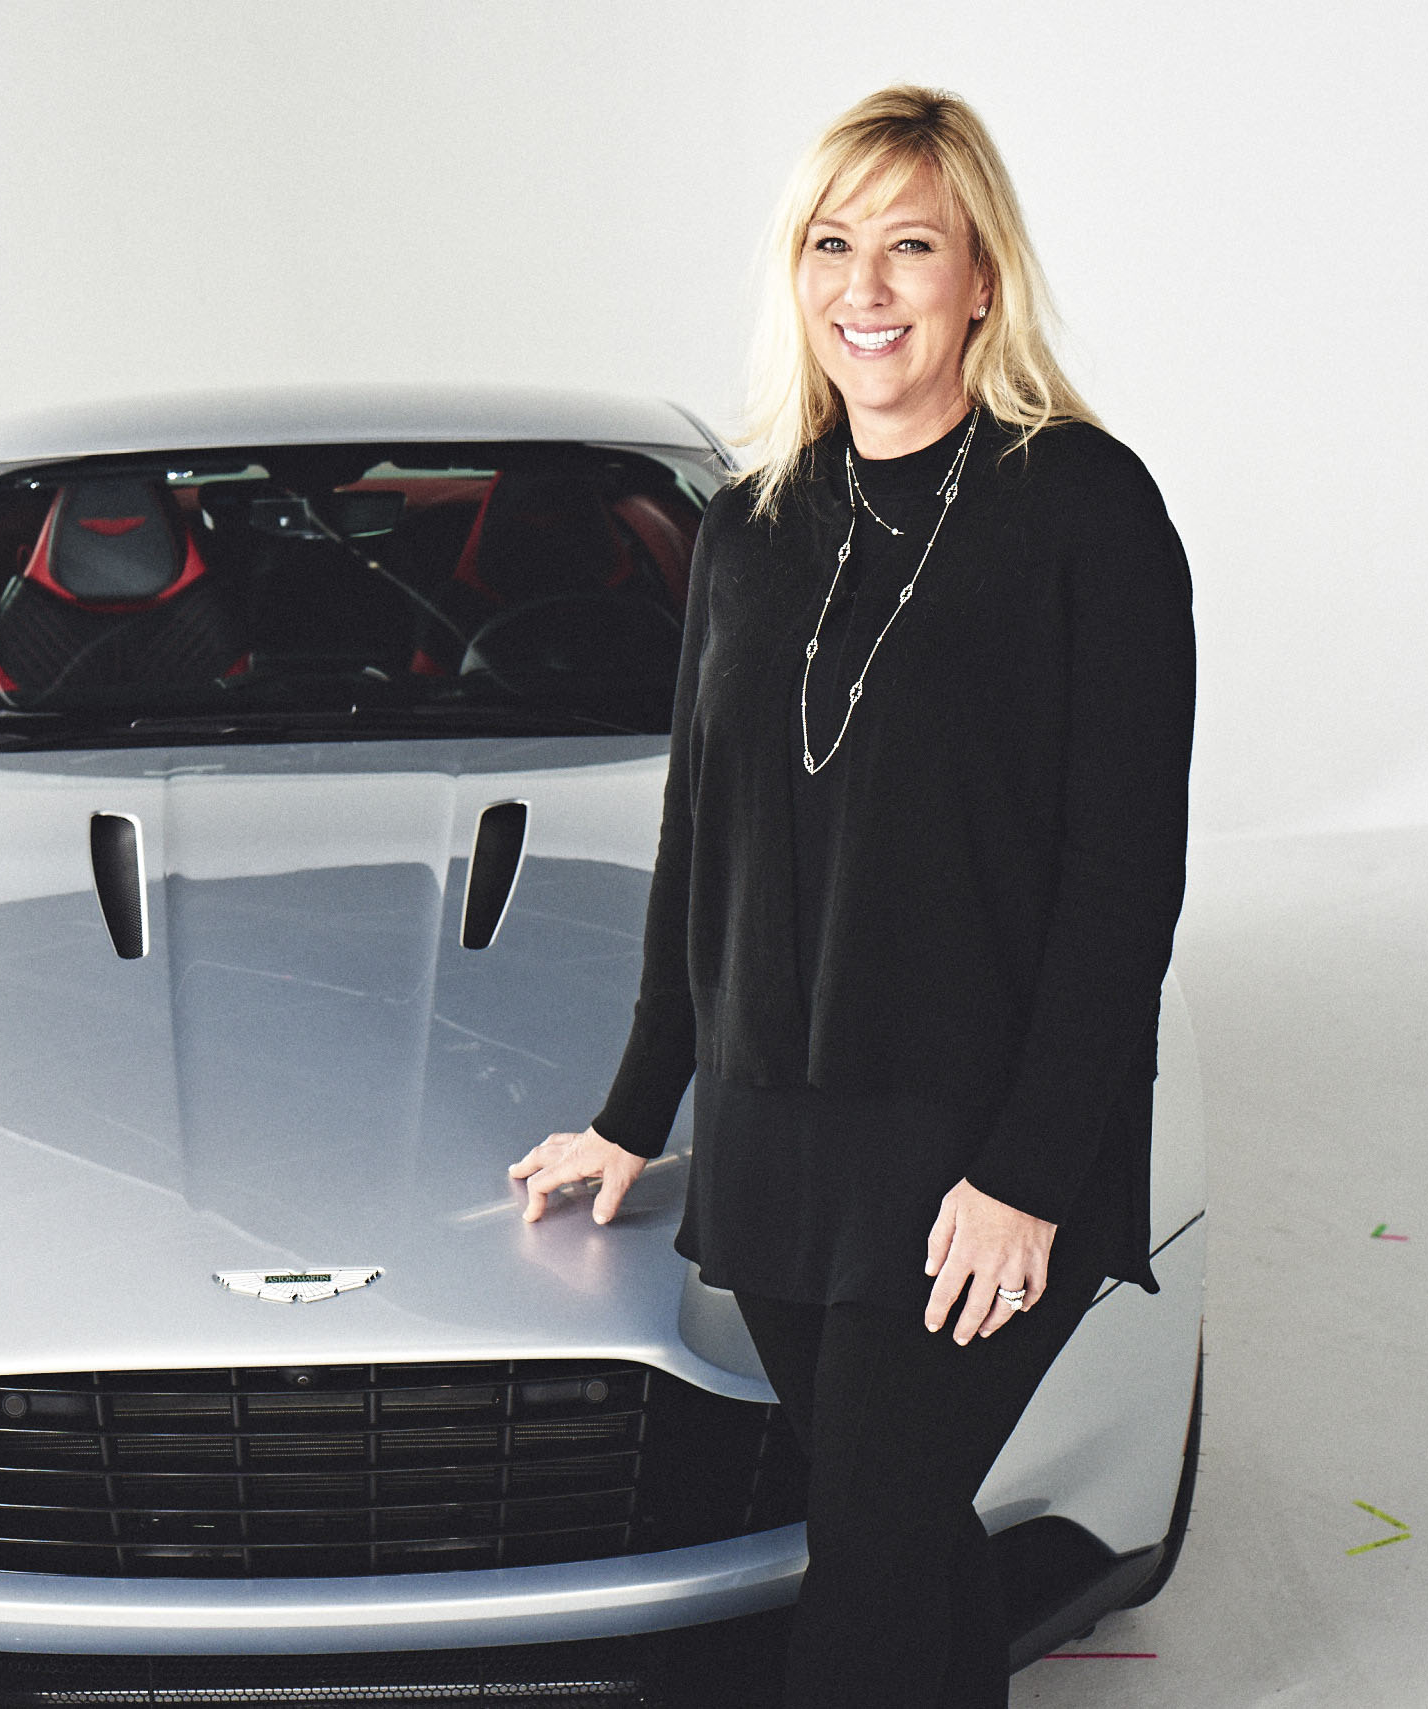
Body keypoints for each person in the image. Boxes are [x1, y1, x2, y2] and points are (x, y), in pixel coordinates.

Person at [507, 85, 1195, 1708]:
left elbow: (1124, 882)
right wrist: (632, 1111)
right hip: (780, 1141)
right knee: (906, 1536)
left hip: (978, 1146)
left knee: (866, 1562)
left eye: (910, 246)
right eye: (834, 244)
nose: (865, 287)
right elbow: (705, 837)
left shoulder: (1088, 510)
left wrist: (1028, 1171)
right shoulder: (747, 525)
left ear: (981, 281)